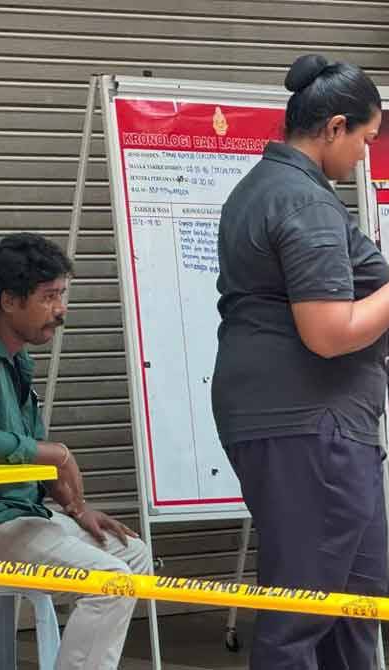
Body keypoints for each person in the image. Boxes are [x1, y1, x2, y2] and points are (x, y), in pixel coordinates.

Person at [212, 54, 386, 669]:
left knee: (358, 602)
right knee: (305, 612)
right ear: (335, 127)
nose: (365, 156)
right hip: (309, 425)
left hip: (319, 426)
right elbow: (329, 332)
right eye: (365, 139)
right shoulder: (301, 202)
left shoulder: (276, 189)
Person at [0, 233, 152, 670]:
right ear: (9, 301)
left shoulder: (14, 354)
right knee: (109, 583)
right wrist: (58, 453)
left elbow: (24, 451)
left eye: (62, 295)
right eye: (49, 297)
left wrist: (77, 507)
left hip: (18, 514)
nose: (61, 309)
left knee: (133, 556)